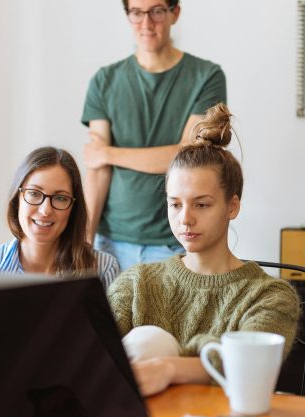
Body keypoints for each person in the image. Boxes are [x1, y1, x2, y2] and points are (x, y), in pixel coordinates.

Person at [107, 104, 299, 397]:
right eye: (175, 204)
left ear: (232, 206)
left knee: (152, 341)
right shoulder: (136, 284)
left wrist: (168, 368)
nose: (185, 218)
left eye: (201, 204)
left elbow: (250, 367)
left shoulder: (270, 295)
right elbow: (90, 356)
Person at [81, 0, 226, 270]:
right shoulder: (104, 81)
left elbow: (187, 155)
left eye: (157, 11)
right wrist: (85, 244)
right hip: (110, 243)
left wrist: (108, 153)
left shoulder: (207, 77)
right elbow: (98, 170)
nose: (146, 23)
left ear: (175, 13)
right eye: (136, 12)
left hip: (175, 241)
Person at [0, 147, 119, 288]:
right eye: (34, 194)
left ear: (73, 208)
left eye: (60, 198)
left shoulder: (103, 269)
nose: (45, 211)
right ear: (17, 198)